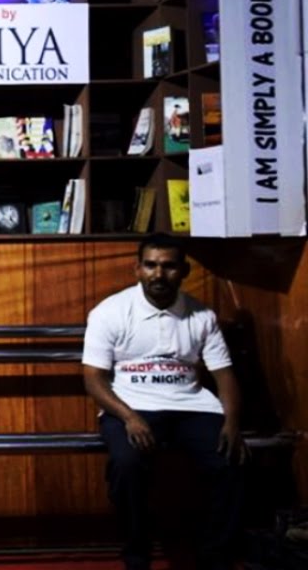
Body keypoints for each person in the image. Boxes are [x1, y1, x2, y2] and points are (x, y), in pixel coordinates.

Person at [82, 233, 246, 570]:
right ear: (137, 269)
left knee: (231, 461)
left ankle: (214, 556)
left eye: (169, 266)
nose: (159, 274)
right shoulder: (109, 312)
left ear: (184, 271)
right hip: (131, 406)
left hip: (192, 406)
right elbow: (93, 379)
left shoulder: (202, 316)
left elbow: (225, 375)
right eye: (151, 265)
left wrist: (232, 422)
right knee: (126, 465)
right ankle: (136, 553)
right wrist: (129, 417)